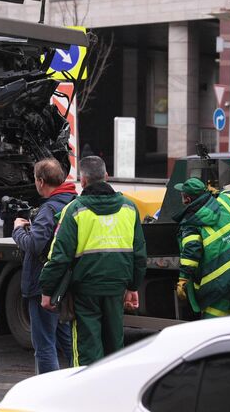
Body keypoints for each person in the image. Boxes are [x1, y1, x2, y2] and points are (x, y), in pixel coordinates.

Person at [40, 156, 146, 366]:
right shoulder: (129, 208)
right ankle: (111, 395)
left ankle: (86, 394)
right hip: (116, 288)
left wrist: (47, 290)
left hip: (85, 291)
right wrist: (133, 286)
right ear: (106, 176)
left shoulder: (75, 210)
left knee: (87, 348)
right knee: (114, 347)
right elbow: (140, 254)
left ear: (83, 180)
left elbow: (59, 256)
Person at [11, 158, 77, 374]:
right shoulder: (74, 203)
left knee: (44, 344)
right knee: (67, 341)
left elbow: (34, 244)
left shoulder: (49, 208)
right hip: (67, 282)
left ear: (40, 181)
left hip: (43, 283)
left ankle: (47, 394)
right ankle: (80, 383)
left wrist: (18, 229)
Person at [173, 177, 230, 319]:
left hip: (219, 280)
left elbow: (191, 253)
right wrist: (217, 192)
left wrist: (183, 279)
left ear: (187, 199)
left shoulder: (191, 224)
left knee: (214, 320)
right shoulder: (223, 202)